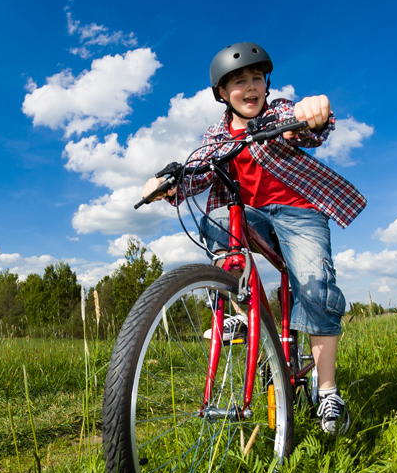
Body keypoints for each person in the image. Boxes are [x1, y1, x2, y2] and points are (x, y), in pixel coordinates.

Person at [141, 42, 366, 435]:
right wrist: (169, 183)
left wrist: (314, 112)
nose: (250, 87)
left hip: (299, 213)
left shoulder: (278, 112)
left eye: (256, 78)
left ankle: (327, 389)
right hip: (250, 215)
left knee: (314, 285)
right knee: (212, 217)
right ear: (222, 94)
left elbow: (309, 128)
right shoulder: (216, 135)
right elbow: (198, 172)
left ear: (266, 84)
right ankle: (245, 315)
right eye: (239, 81)